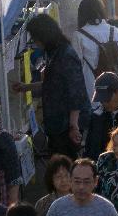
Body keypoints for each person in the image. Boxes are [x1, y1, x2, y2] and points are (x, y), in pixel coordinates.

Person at [27, 14, 87, 158]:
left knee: (65, 163)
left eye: (35, 38)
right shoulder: (54, 53)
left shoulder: (66, 55)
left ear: (44, 36)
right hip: (56, 123)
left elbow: (76, 92)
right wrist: (25, 87)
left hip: (66, 125)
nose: (35, 42)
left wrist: (73, 125)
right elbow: (52, 84)